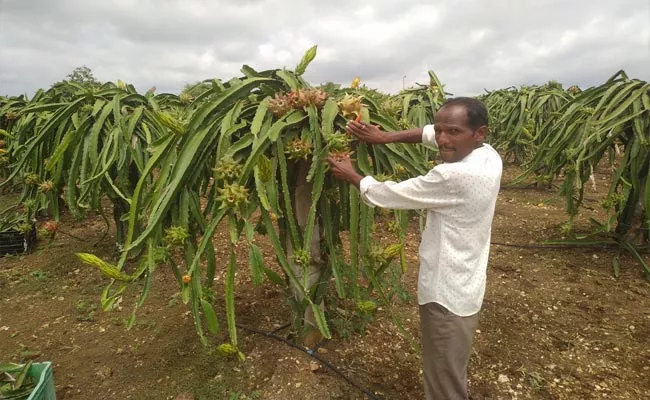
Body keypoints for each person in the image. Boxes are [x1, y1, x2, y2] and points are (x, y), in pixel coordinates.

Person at [327, 97, 502, 400]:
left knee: (443, 383)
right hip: (467, 284)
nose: (443, 139)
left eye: (454, 132)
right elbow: (428, 134)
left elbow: (390, 194)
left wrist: (352, 174)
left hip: (446, 294)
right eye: (440, 130)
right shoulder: (487, 155)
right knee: (448, 369)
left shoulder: (455, 176)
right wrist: (384, 138)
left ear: (479, 132)